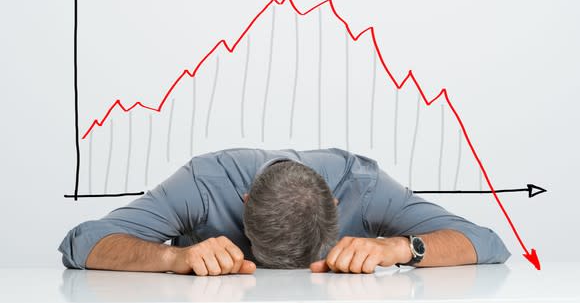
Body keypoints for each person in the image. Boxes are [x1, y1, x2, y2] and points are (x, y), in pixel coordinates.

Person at [59, 148, 510, 275]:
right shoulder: (202, 183)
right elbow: (81, 242)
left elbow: (490, 243)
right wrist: (172, 258)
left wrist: (401, 248)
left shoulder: (363, 185)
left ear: (336, 204)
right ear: (244, 206)